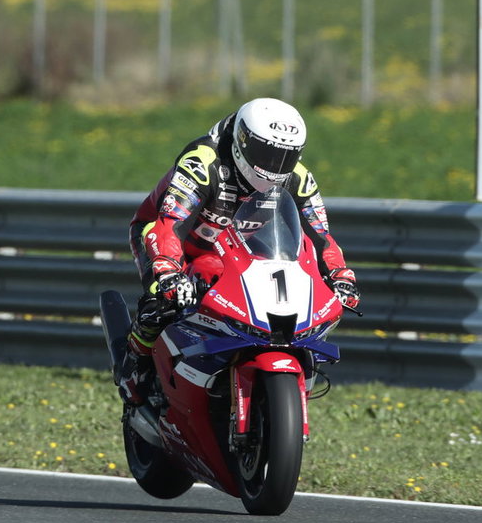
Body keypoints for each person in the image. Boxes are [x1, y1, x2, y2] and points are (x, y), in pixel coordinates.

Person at [116, 96, 359, 404]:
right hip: (169, 240)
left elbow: (321, 235)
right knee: (161, 300)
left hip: (231, 251)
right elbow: (170, 224)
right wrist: (167, 269)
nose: (275, 167)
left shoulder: (297, 177)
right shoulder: (203, 161)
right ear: (243, 141)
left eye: (286, 156)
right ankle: (134, 365)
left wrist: (340, 274)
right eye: (267, 154)